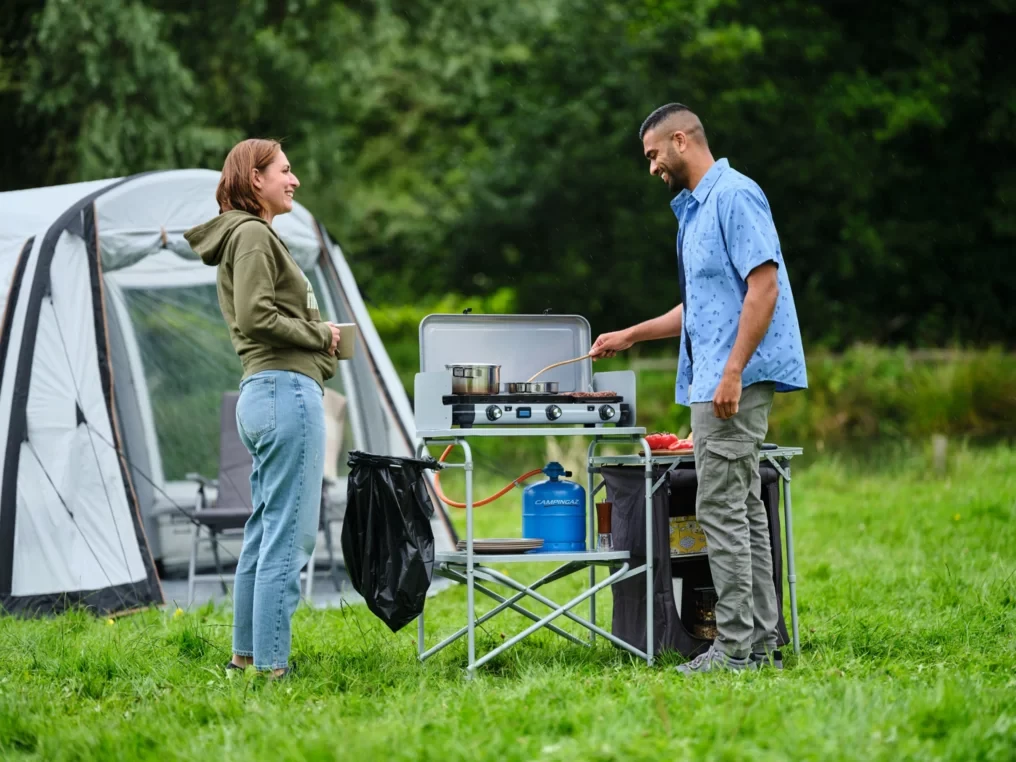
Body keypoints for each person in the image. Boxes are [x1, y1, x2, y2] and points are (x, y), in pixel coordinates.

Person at [590, 104, 807, 674]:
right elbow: (705, 304)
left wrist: (733, 370)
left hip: (730, 378)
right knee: (743, 510)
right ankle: (759, 643)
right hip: (715, 374)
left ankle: (734, 650)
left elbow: (764, 286)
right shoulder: (696, 211)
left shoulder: (734, 196)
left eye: (653, 153)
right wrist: (632, 335)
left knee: (719, 508)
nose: (652, 166)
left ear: (681, 140)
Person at [184, 139, 341, 678]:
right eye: (285, 171)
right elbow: (255, 316)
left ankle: (245, 657)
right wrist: (321, 334)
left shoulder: (249, 235)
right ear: (256, 179)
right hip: (283, 391)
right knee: (288, 533)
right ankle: (274, 668)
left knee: (264, 529)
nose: (294, 180)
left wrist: (316, 337)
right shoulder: (251, 235)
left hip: (266, 392)